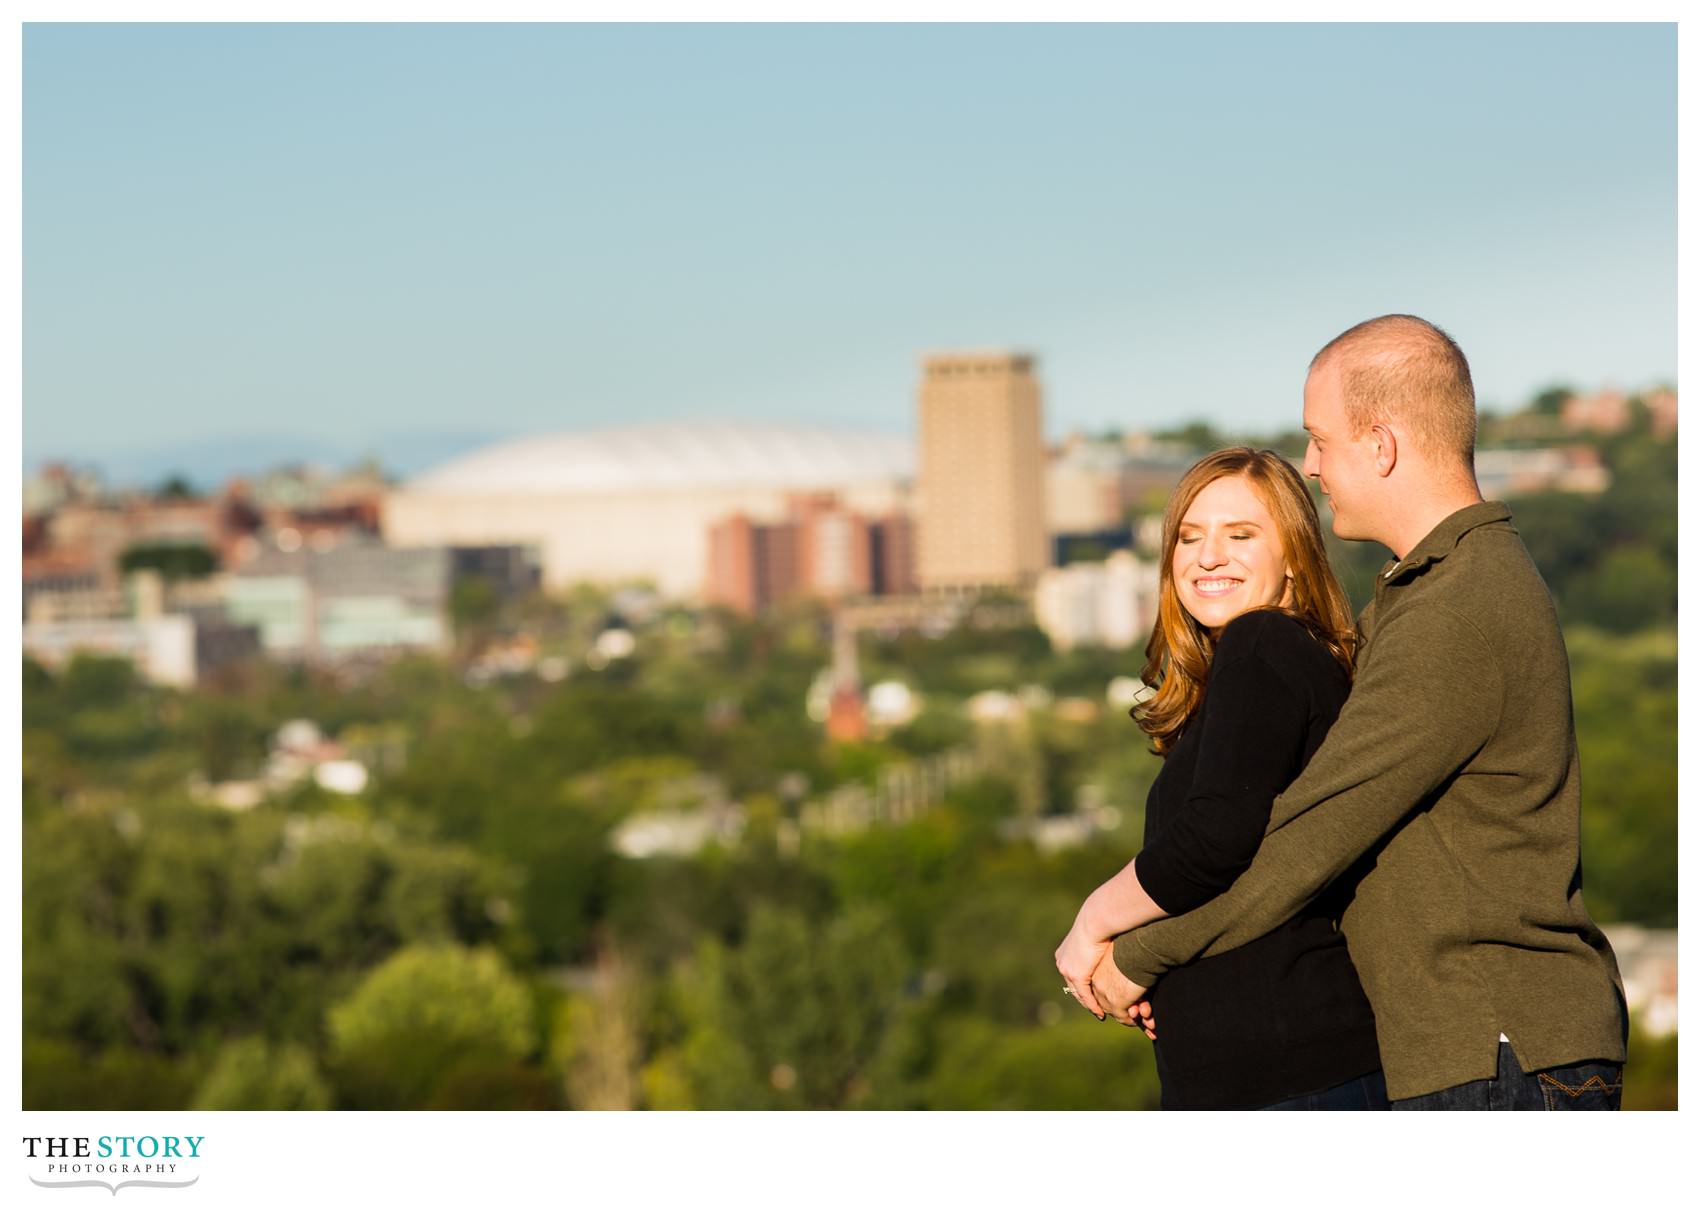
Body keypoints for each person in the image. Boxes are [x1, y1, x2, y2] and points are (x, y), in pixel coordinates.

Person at [1088, 315, 1628, 1110]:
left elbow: (1307, 839)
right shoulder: (1424, 595)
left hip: (1499, 1043)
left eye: (1320, 439)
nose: (1310, 465)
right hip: (1468, 1047)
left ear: (1380, 446)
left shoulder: (1460, 605)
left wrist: (1132, 952)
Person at [1055, 447, 1387, 1110]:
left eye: (1241, 536)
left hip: (1292, 1080)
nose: (1208, 557)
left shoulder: (1262, 642)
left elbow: (1213, 841)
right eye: (1189, 537)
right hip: (1275, 1079)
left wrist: (1093, 925)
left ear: (1294, 553)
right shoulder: (1272, 663)